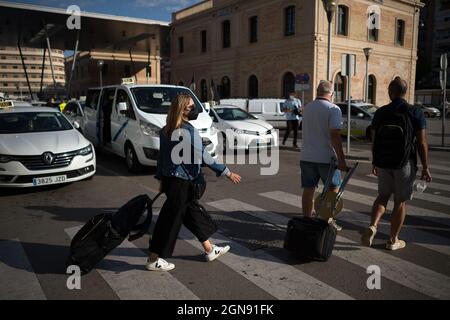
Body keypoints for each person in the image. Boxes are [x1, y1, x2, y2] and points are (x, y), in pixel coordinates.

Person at [147, 93, 242, 272]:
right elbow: (204, 156)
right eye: (191, 106)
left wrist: (161, 178)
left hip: (171, 181)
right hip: (182, 183)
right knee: (169, 222)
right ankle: (154, 258)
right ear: (182, 109)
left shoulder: (166, 129)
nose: (195, 109)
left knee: (191, 215)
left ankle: (209, 249)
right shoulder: (187, 130)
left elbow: (162, 158)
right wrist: (227, 172)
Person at [361, 77, 432, 250]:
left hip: (384, 162)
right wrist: (425, 167)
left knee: (382, 197)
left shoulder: (381, 112)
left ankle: (373, 225)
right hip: (404, 163)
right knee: (400, 202)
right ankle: (393, 240)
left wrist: (375, 161)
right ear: (405, 92)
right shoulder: (415, 112)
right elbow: (422, 142)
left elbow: (374, 139)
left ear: (390, 92)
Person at [299, 81, 347, 230]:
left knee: (308, 190)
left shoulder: (307, 108)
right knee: (333, 190)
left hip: (306, 155)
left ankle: (306, 219)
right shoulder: (333, 109)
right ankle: (327, 221)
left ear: (317, 92)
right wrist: (341, 159)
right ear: (331, 94)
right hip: (326, 158)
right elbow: (334, 135)